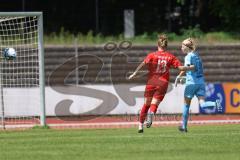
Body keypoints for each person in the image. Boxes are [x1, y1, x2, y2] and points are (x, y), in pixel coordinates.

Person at [128, 34, 192, 133]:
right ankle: (151, 115)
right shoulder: (171, 57)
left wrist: (134, 73)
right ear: (166, 46)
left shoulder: (152, 55)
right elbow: (180, 68)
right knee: (155, 104)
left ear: (158, 45)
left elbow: (143, 63)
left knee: (146, 104)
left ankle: (140, 126)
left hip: (152, 82)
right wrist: (190, 67)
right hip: (163, 83)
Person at [177, 38, 222, 133]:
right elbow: (195, 69)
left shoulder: (188, 56)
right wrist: (181, 76)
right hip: (201, 83)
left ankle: (184, 127)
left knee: (186, 105)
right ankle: (215, 103)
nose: (181, 47)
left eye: (182, 45)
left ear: (187, 47)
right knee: (202, 103)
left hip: (191, 84)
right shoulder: (197, 56)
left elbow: (190, 68)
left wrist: (179, 71)